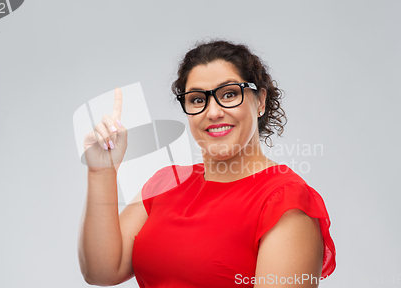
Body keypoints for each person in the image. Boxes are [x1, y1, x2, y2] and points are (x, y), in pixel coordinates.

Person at [78, 40, 336, 287]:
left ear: (260, 101)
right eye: (198, 99)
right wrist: (101, 171)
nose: (213, 112)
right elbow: (101, 271)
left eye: (229, 94)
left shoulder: (285, 200)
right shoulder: (166, 182)